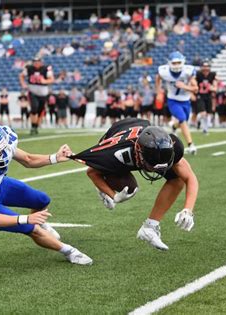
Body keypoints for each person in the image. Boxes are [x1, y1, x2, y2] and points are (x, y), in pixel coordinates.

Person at [0, 119, 92, 265]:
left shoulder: (1, 142)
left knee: (41, 200)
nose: (3, 152)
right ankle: (70, 252)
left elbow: (28, 159)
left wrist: (55, 158)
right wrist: (26, 219)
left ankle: (40, 226)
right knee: (31, 228)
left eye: (3, 146)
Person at [70, 118, 199, 250]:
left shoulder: (169, 146)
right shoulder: (115, 154)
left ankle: (150, 227)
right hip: (118, 132)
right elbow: (91, 172)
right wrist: (112, 195)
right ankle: (104, 185)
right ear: (138, 152)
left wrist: (188, 210)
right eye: (152, 165)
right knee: (129, 188)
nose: (156, 170)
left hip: (140, 125)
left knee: (177, 178)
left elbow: (190, 177)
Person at [155, 51, 198, 154]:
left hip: (185, 100)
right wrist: (159, 92)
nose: (177, 65)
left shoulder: (188, 71)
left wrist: (184, 86)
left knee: (183, 121)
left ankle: (174, 127)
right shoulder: (164, 71)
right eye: (174, 63)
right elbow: (158, 78)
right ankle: (190, 144)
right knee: (182, 119)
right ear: (169, 63)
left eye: (178, 62)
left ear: (183, 62)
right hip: (173, 100)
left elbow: (196, 88)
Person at [19, 57, 54, 135]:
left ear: (41, 62)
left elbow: (51, 79)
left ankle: (36, 126)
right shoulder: (29, 68)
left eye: (38, 61)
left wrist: (45, 81)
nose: (36, 63)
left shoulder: (46, 69)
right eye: (35, 61)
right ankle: (33, 126)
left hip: (43, 94)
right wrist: (23, 84)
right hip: (32, 92)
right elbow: (21, 75)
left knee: (40, 111)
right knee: (34, 108)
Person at [195, 60, 218, 134]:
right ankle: (200, 122)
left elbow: (215, 86)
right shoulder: (198, 75)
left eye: (207, 67)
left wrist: (213, 88)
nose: (205, 69)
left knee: (208, 114)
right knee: (203, 113)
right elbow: (193, 83)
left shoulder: (212, 75)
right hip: (200, 96)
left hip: (208, 96)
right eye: (204, 67)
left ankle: (205, 128)